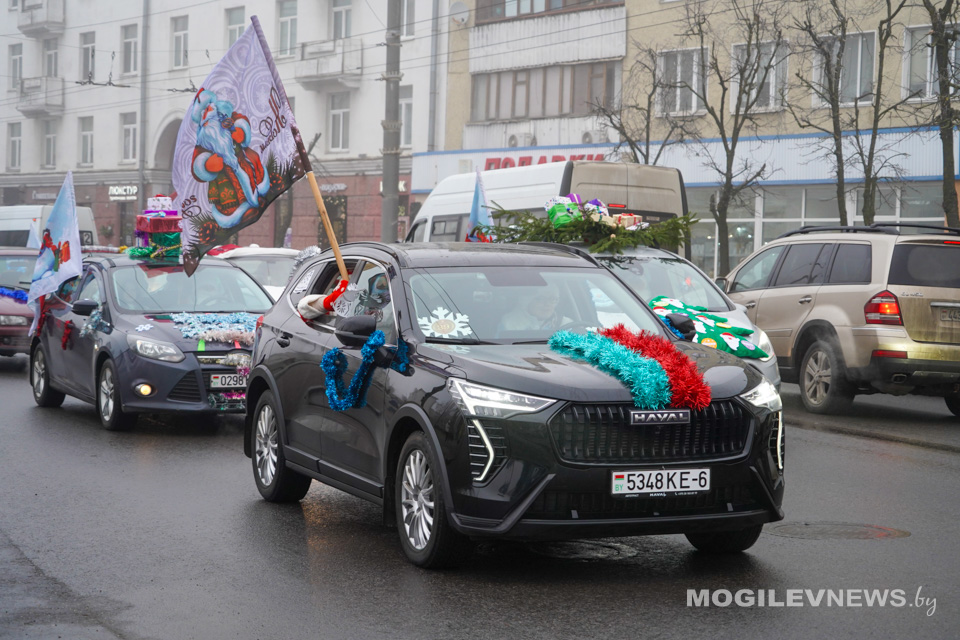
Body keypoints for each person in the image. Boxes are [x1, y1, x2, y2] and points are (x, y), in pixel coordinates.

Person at [498, 284, 571, 333]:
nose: (547, 304)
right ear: (526, 301)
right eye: (540, 299)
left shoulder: (567, 324)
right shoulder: (510, 323)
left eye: (552, 299)